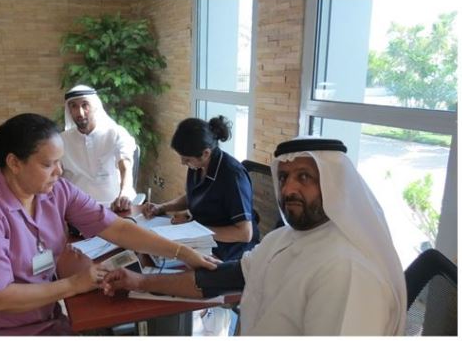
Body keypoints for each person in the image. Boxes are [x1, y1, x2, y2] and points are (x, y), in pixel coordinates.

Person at [0, 113, 217, 335]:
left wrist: (183, 252)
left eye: (60, 162)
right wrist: (74, 284)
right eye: (49, 164)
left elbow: (116, 227)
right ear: (14, 162)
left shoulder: (55, 191)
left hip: (42, 317)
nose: (59, 172)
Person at [102, 137, 407, 336]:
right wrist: (140, 283)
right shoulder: (282, 240)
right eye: (284, 177)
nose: (288, 189)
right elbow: (218, 277)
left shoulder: (347, 271)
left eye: (304, 177)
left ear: (335, 184)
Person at [143, 116, 259, 262]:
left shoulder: (232, 176)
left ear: (205, 153)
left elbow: (244, 233)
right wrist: (161, 207)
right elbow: (194, 196)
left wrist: (193, 229)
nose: (183, 163)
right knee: (154, 250)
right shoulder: (198, 165)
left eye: (186, 159)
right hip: (201, 240)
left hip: (229, 251)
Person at [60, 85, 137, 212]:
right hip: (76, 209)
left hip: (115, 206)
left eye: (85, 105)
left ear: (95, 105)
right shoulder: (61, 140)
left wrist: (125, 192)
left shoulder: (115, 133)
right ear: (69, 110)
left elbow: (125, 166)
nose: (80, 113)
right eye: (74, 106)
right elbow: (55, 176)